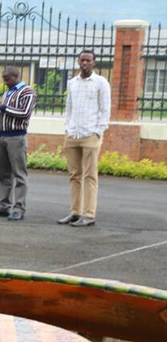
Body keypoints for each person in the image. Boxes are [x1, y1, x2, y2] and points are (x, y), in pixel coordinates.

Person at [58, 50, 111, 227]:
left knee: (90, 176)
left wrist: (98, 131)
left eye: (88, 60)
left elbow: (105, 109)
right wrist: (68, 128)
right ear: (78, 62)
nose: (85, 63)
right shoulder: (72, 83)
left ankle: (89, 215)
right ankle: (75, 212)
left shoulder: (101, 83)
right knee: (74, 175)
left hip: (90, 135)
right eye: (82, 60)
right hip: (73, 133)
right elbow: (69, 108)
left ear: (94, 63)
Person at [0, 66, 37, 221]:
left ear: (16, 76)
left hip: (16, 137)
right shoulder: (8, 92)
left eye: (7, 78)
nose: (5, 81)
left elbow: (24, 113)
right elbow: (5, 113)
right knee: (4, 174)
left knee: (19, 174)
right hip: (2, 135)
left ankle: (19, 208)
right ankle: (3, 205)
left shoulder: (28, 92)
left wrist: (3, 107)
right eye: (4, 78)